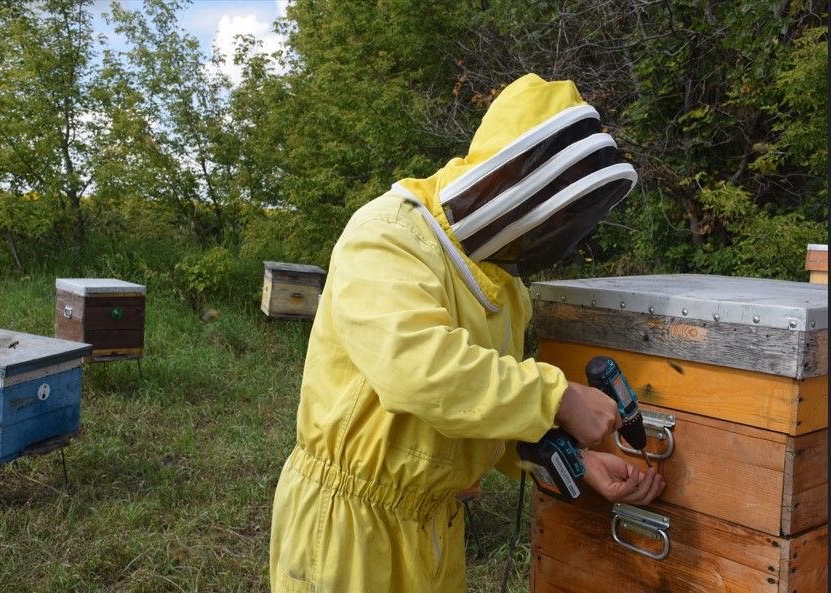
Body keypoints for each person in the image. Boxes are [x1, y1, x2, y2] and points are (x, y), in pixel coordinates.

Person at [269, 73, 665, 593]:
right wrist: (559, 396)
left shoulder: (501, 285)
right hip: (349, 523)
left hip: (436, 523)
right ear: (515, 179)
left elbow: (477, 407)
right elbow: (419, 371)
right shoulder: (387, 236)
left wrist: (570, 457)